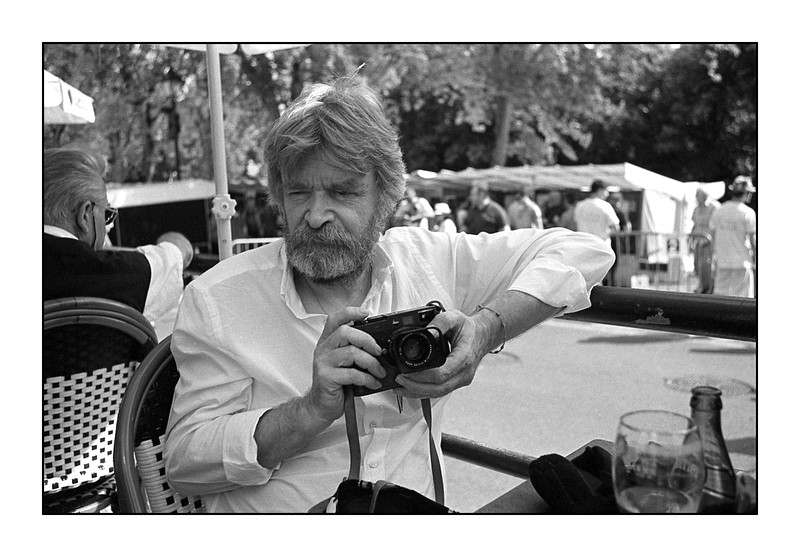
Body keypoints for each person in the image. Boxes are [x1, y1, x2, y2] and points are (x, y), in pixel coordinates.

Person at [163, 77, 614, 513]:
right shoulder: (218, 299)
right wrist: (309, 411)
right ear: (279, 195)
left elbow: (585, 250)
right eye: (298, 192)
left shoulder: (429, 260)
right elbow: (184, 463)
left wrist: (484, 330)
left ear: (386, 196)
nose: (316, 215)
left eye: (342, 192)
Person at [43, 147, 194, 340]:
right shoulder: (120, 274)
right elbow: (179, 252)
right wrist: (172, 239)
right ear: (84, 215)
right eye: (106, 214)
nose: (108, 226)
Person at [709, 176, 756, 297]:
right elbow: (753, 241)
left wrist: (713, 258)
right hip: (742, 262)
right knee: (742, 299)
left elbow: (712, 236)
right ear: (745, 193)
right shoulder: (748, 212)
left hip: (722, 262)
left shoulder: (719, 211)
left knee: (720, 297)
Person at [689, 187, 720, 294]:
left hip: (709, 241)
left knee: (708, 265)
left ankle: (710, 287)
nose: (697, 198)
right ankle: (702, 285)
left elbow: (715, 226)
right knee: (697, 265)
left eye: (699, 195)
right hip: (698, 240)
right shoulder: (696, 209)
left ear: (705, 196)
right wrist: (690, 239)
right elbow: (694, 224)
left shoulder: (714, 208)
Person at [574, 179, 620, 245]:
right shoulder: (605, 206)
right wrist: (604, 233)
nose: (607, 194)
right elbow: (616, 228)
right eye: (606, 191)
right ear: (600, 190)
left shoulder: (579, 205)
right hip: (601, 245)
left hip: (584, 245)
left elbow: (575, 225)